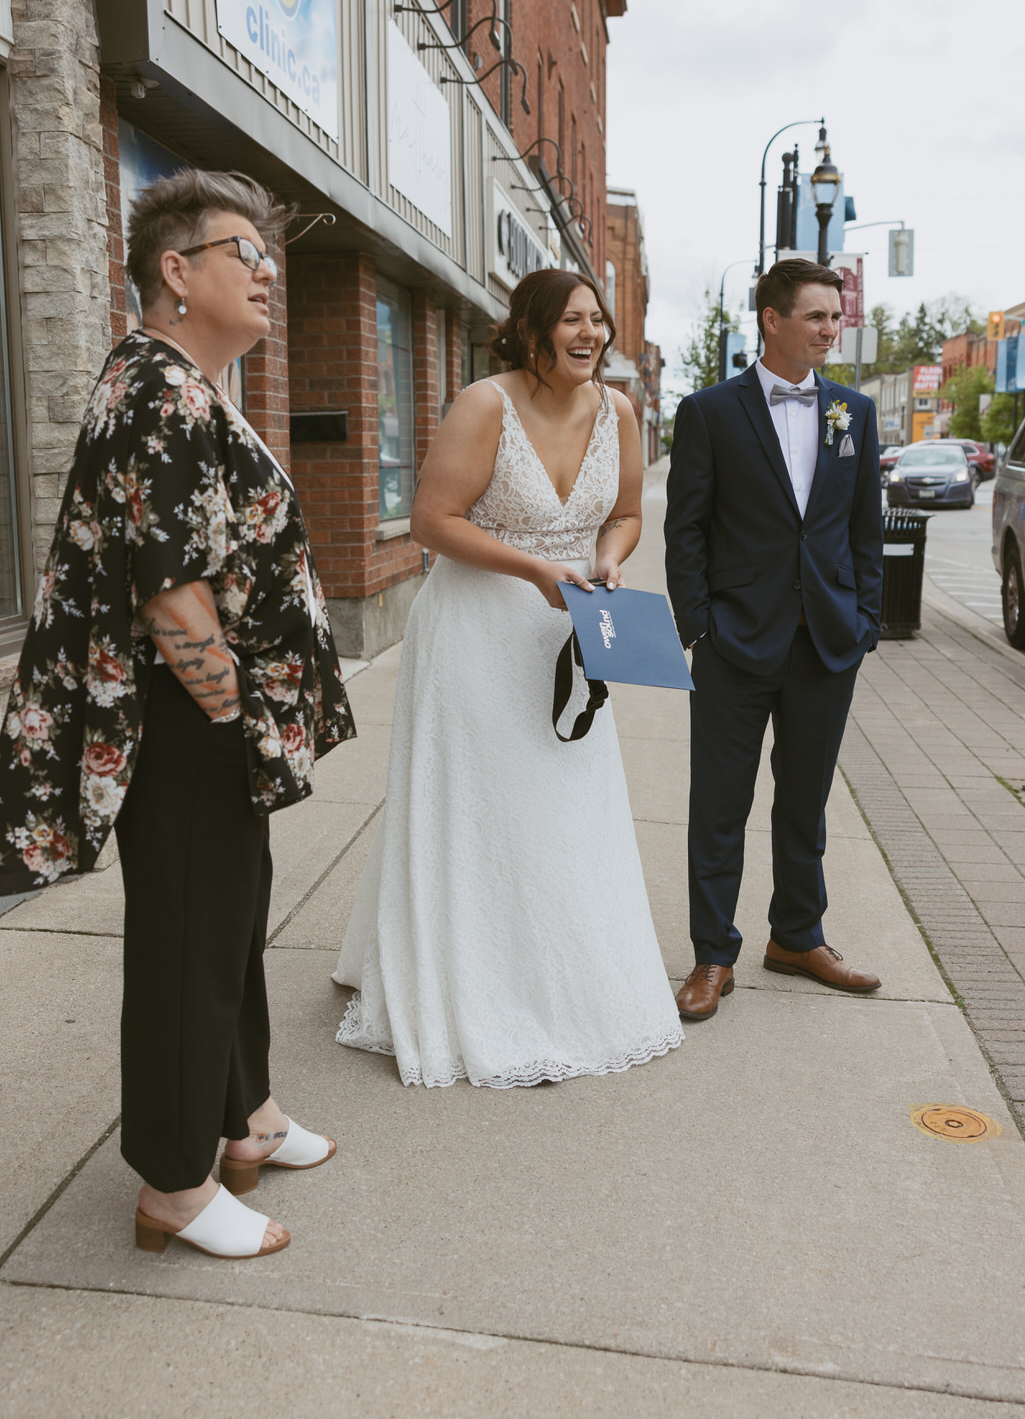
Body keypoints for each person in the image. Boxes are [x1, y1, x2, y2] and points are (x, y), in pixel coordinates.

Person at [0, 170, 356, 1258]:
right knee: (188, 937)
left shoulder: (186, 386)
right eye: (242, 250)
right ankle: (174, 1181)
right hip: (179, 718)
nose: (264, 271)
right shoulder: (153, 389)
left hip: (200, 720)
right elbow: (169, 590)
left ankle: (242, 1116)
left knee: (230, 918)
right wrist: (241, 712)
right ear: (174, 271)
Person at [334, 269, 683, 1086]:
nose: (589, 334)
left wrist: (603, 558)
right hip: (478, 630)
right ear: (529, 330)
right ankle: (472, 984)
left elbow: (626, 513)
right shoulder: (483, 404)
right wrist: (535, 571)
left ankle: (564, 984)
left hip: (571, 627)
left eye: (597, 320)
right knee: (483, 805)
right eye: (571, 320)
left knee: (564, 804)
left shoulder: (619, 411)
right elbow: (432, 520)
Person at [664, 257, 884, 1021]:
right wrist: (699, 627)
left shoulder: (852, 411)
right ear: (773, 320)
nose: (832, 329)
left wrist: (864, 624)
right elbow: (684, 529)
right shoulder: (710, 412)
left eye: (836, 316)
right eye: (818, 316)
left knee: (804, 803)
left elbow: (862, 530)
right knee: (719, 806)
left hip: (825, 643)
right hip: (733, 644)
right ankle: (711, 955)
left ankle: (796, 936)